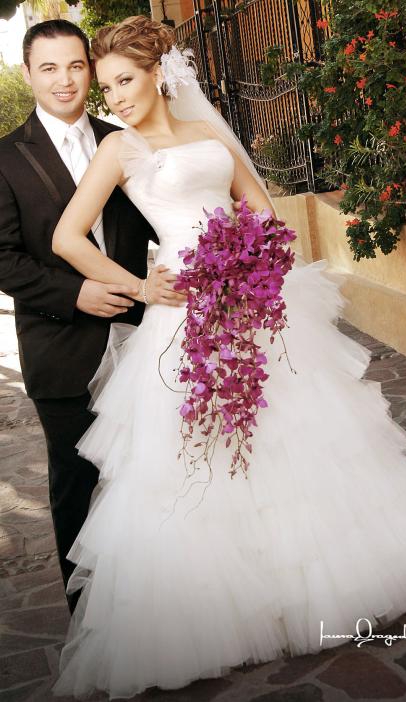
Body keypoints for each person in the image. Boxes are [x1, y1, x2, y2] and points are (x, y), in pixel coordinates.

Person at [50, 15, 406, 699]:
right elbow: (70, 237)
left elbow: (264, 215)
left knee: (293, 435)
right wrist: (138, 285)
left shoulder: (211, 134)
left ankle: (328, 576)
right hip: (184, 316)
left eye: (125, 80)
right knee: (199, 456)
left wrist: (256, 267)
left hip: (251, 305)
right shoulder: (119, 151)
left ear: (158, 72)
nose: (116, 98)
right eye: (107, 88)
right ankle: (229, 606)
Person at [0, 19, 184, 614]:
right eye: (49, 68)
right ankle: (92, 625)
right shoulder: (4, 157)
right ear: (28, 74)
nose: (64, 80)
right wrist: (74, 293)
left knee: (150, 476)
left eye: (76, 66)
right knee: (76, 484)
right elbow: (3, 257)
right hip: (59, 343)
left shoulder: (126, 139)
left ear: (92, 71)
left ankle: (159, 607)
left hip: (143, 335)